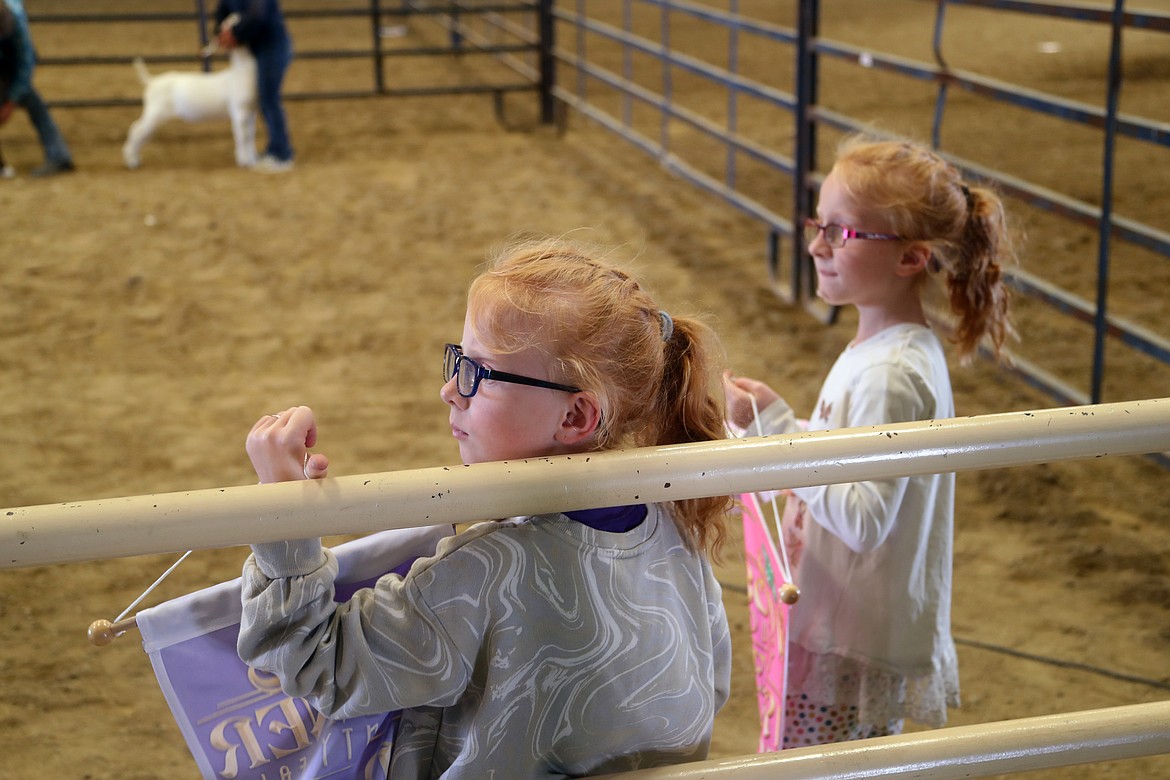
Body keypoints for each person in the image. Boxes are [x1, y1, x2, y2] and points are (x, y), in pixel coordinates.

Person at [238, 238, 734, 777]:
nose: (450, 390)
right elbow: (712, 683)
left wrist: (283, 513)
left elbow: (319, 663)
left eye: (479, 373)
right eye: (457, 361)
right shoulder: (673, 524)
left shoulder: (483, 570)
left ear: (575, 417)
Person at [725, 134, 1017, 747]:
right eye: (817, 224)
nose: (816, 245)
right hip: (840, 619)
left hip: (848, 637)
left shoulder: (892, 373)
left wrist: (780, 432)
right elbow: (849, 452)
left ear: (910, 258)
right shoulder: (885, 352)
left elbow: (863, 518)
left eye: (840, 232)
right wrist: (778, 428)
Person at [215, 0, 293, 173]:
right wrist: (221, 32)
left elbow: (258, 15)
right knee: (265, 99)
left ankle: (281, 154)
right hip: (256, 49)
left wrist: (234, 32)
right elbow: (222, 11)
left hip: (272, 47)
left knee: (268, 99)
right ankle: (275, 151)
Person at [0, 0, 75, 178]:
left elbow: (25, 62)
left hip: (11, 60)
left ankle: (58, 155)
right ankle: (59, 155)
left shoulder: (15, 20)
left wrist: (11, 102)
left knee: (32, 100)